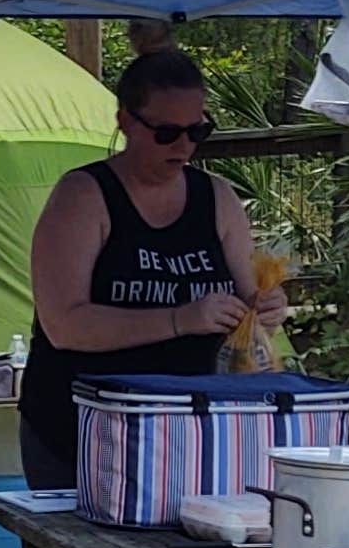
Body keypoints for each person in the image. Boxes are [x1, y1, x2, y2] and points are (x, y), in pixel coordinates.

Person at [18, 47, 285, 491]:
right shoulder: (83, 196)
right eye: (166, 133)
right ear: (125, 122)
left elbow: (248, 306)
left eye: (197, 131)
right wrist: (180, 319)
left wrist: (266, 309)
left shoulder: (216, 198)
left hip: (191, 430)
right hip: (83, 432)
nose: (183, 146)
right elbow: (63, 325)